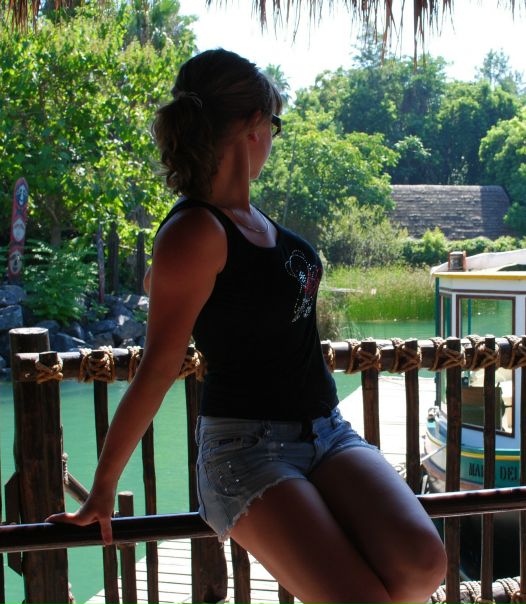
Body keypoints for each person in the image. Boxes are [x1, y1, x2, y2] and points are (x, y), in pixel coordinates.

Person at [48, 48, 447, 604]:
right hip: (247, 449)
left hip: (326, 431)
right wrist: (103, 487)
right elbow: (158, 367)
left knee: (422, 564)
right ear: (255, 124)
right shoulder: (194, 231)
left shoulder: (251, 221)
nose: (273, 141)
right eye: (275, 128)